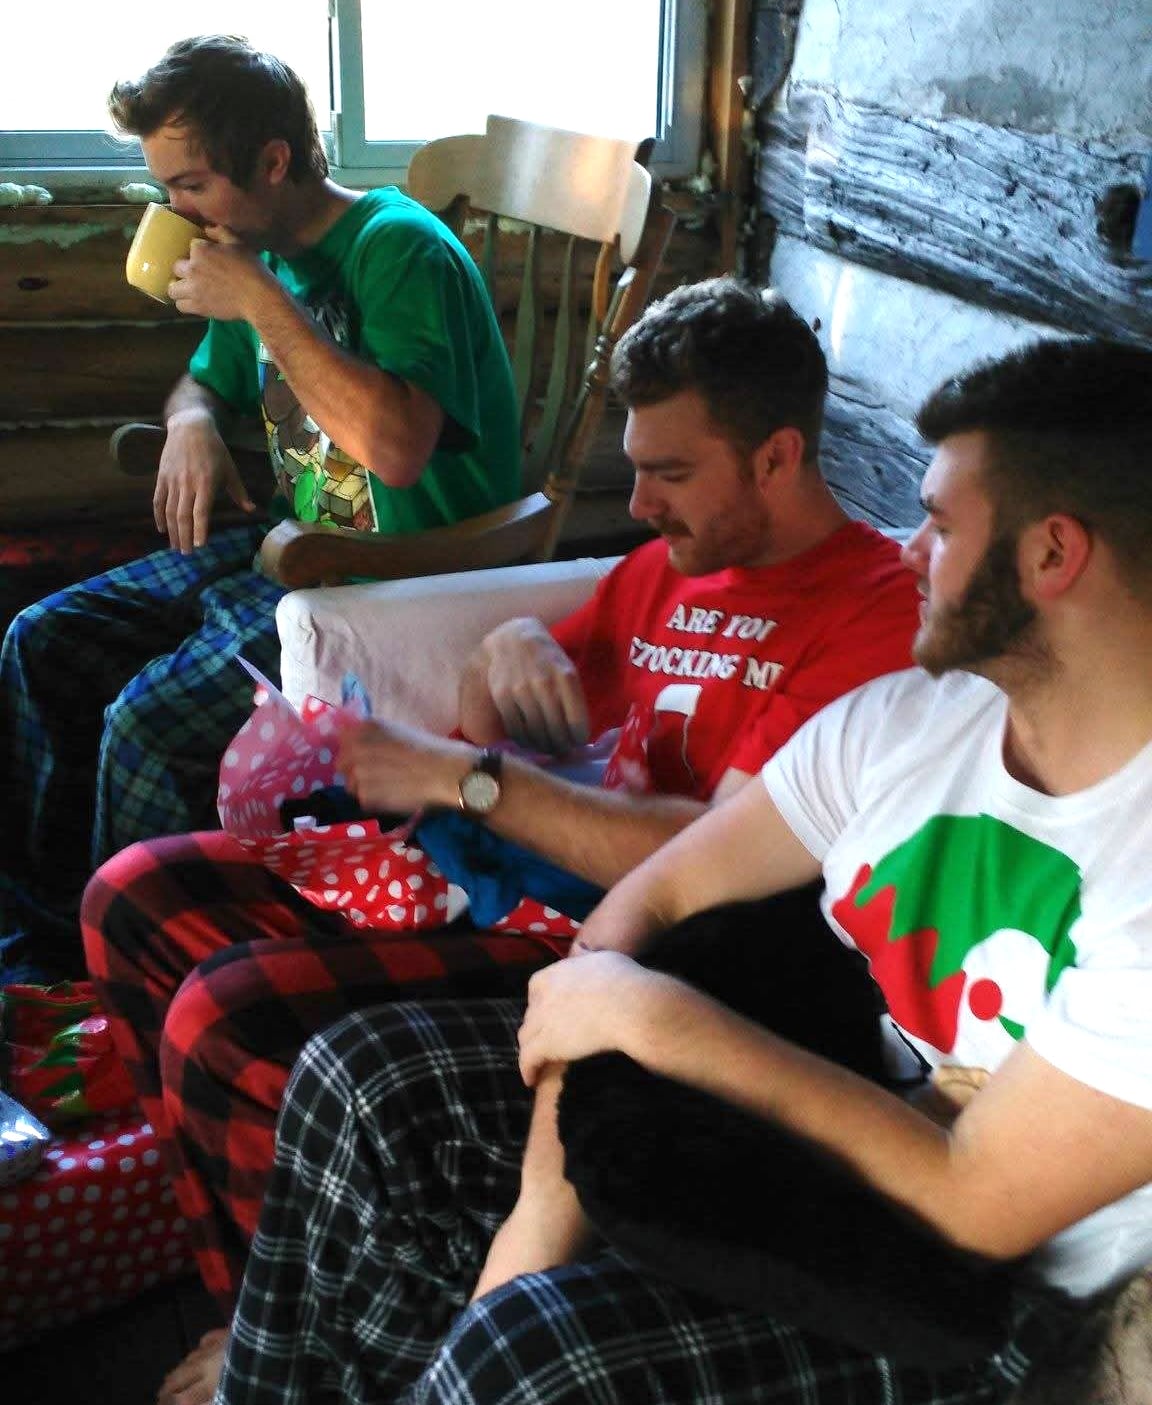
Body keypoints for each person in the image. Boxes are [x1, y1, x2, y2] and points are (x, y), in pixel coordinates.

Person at [202, 334, 1152, 1405]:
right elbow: (656, 897)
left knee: (533, 1353)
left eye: (938, 523)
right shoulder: (910, 724)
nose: (910, 551)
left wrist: (646, 1020)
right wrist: (541, 1216)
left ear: (1054, 555)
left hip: (994, 1291)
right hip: (835, 1104)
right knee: (358, 1080)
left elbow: (978, 1198)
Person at [80, 276, 921, 1359]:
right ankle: (257, 1282)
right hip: (511, 881)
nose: (644, 501)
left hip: (653, 949)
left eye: (670, 472)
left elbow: (713, 861)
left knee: (226, 1013)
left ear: (778, 457)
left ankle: (282, 1334)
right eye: (639, 465)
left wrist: (465, 778)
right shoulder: (666, 567)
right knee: (134, 896)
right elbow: (497, 716)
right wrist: (505, 645)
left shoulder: (868, 617)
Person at [0, 34, 520, 981]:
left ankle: (131, 973)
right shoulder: (262, 254)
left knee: (145, 730)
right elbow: (204, 385)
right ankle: (45, 936)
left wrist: (258, 302)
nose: (176, 210)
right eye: (167, 187)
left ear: (274, 162)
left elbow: (398, 453)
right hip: (292, 551)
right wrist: (194, 419)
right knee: (41, 639)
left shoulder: (398, 252)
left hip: (402, 575)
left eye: (191, 185)